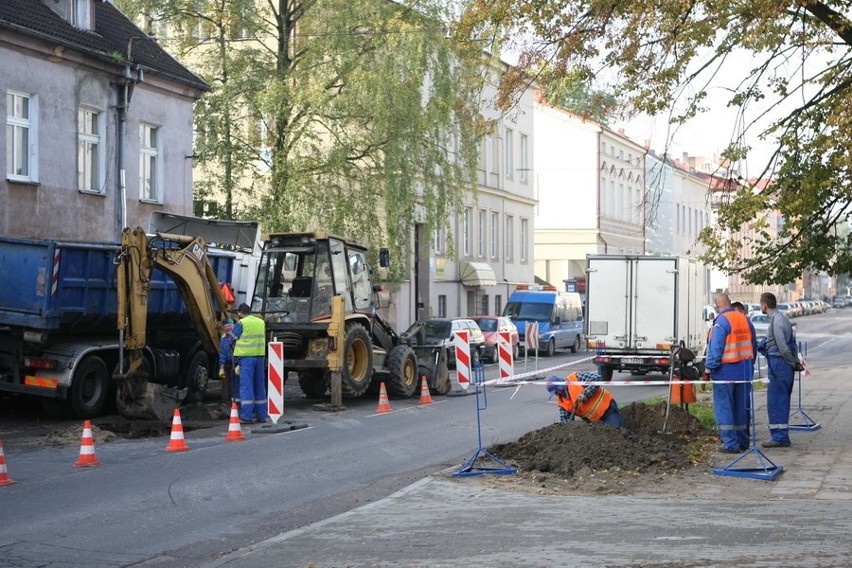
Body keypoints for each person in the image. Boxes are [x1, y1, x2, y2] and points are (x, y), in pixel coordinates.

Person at [705, 293, 754, 453]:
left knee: (724, 407)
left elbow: (716, 348)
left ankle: (730, 444)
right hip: (744, 372)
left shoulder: (721, 322)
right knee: (741, 408)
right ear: (730, 303)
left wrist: (709, 368)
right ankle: (742, 441)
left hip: (725, 372)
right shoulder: (744, 319)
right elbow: (752, 344)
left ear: (717, 305)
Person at [757, 292, 803, 448]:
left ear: (765, 305)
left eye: (760, 304)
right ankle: (780, 435)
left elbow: (783, 347)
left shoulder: (776, 322)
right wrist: (795, 362)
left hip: (779, 364)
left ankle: (779, 437)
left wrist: (791, 362)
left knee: (776, 401)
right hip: (783, 364)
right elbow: (793, 343)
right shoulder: (783, 319)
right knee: (781, 400)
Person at [232, 303, 269, 424]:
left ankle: (246, 416)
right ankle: (261, 415)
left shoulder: (241, 323)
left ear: (240, 313)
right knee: (259, 386)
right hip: (259, 357)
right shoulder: (260, 322)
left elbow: (231, 339)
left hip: (246, 358)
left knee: (246, 386)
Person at [545, 371, 623, 427]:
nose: (556, 394)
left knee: (616, 432)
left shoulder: (576, 378)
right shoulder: (562, 403)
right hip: (594, 422)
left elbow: (597, 379)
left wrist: (586, 394)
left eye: (556, 391)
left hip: (607, 409)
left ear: (560, 386)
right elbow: (566, 422)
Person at [217, 318, 237, 404]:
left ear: (234, 326)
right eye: (225, 326)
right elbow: (222, 353)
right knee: (228, 383)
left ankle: (237, 402)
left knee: (237, 384)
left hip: (237, 363)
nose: (227, 328)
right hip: (229, 363)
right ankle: (227, 402)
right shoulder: (223, 338)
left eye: (229, 326)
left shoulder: (237, 337)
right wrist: (221, 367)